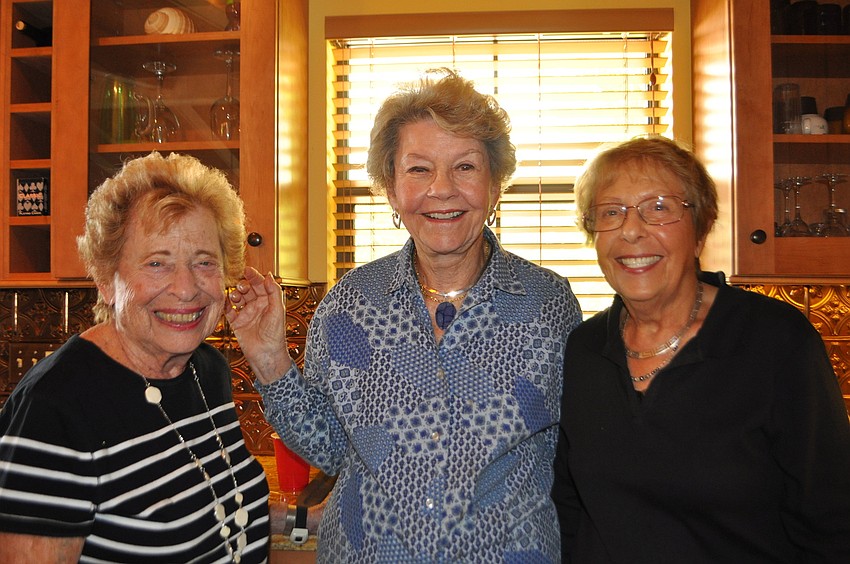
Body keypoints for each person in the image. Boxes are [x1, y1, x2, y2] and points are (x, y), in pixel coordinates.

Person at [227, 68, 582, 562]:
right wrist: (267, 357)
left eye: (464, 167)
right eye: (418, 169)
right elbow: (330, 446)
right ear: (392, 191)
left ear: (495, 186)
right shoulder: (349, 303)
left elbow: (577, 454)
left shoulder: (549, 304)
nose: (442, 189)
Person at [551, 135, 850, 562]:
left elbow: (831, 520)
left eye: (659, 207)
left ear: (700, 229)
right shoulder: (583, 349)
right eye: (610, 213)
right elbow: (571, 510)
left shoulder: (774, 341)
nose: (631, 230)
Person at [0, 152, 270, 562]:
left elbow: (209, 504)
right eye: (157, 263)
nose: (185, 288)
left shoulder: (206, 369)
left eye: (204, 262)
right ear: (108, 280)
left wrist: (306, 520)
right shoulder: (54, 410)